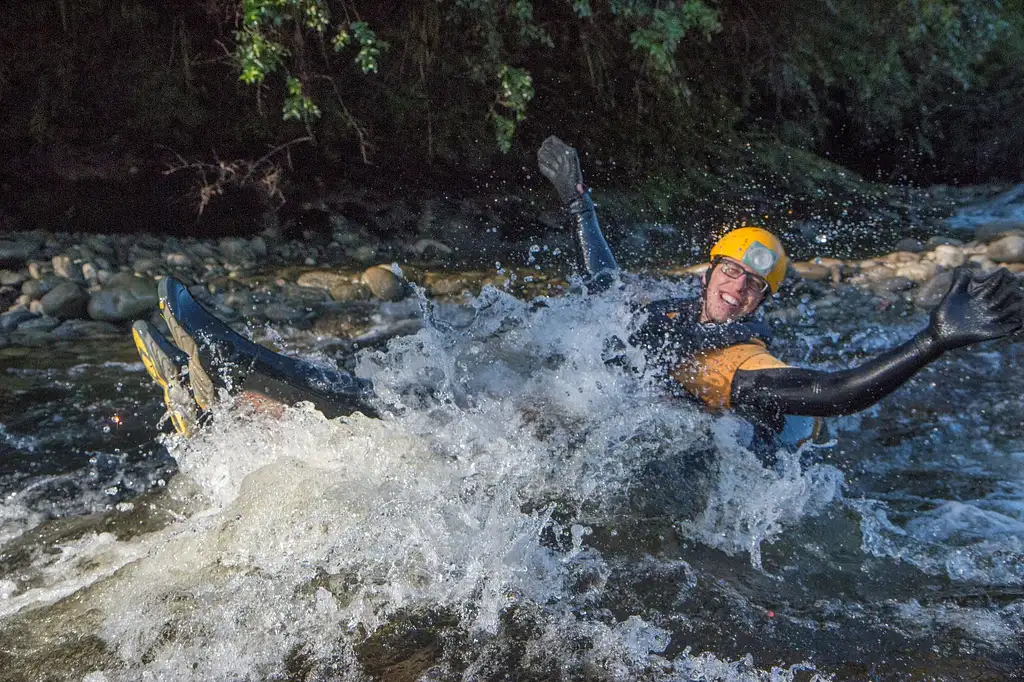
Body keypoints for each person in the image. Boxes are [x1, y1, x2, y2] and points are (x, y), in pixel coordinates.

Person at [135, 136, 1024, 455]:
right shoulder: (674, 305)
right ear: (708, 266)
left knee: (448, 415)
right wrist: (581, 201)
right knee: (428, 378)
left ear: (762, 302)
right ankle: (236, 413)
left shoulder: (740, 358)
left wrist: (932, 342)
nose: (737, 287)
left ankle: (267, 374)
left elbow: (826, 391)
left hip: (606, 438)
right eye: (729, 270)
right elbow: (602, 285)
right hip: (585, 402)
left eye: (755, 284)